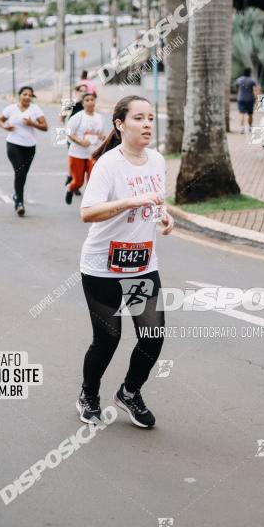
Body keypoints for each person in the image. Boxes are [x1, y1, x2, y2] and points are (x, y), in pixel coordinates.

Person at [76, 95, 174, 429]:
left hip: (142, 265)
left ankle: (130, 393)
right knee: (108, 339)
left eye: (150, 118)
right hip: (103, 267)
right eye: (139, 118)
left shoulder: (157, 160)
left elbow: (156, 202)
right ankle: (88, 395)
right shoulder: (108, 164)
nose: (147, 124)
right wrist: (131, 201)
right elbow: (87, 213)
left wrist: (165, 216)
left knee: (152, 335)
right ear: (120, 125)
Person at [0, 85, 47, 216]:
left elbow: (45, 126)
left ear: (32, 97)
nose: (27, 97)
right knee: (19, 172)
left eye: (30, 95)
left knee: (23, 174)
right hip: (13, 144)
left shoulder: (35, 109)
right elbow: (0, 120)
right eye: (24, 94)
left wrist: (33, 124)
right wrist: (5, 127)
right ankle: (19, 202)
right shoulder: (11, 108)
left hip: (30, 147)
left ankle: (16, 194)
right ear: (19, 95)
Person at [65, 91, 106, 205]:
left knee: (93, 181)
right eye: (87, 100)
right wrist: (80, 141)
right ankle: (70, 188)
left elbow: (100, 133)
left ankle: (89, 204)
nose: (90, 102)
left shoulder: (99, 118)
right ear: (83, 103)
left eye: (92, 100)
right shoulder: (78, 117)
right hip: (77, 153)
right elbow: (68, 133)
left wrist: (102, 137)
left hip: (93, 153)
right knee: (78, 182)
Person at [235, 67, 260, 133]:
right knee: (250, 114)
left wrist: (239, 93)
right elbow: (255, 90)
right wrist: (257, 98)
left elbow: (237, 87)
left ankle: (242, 128)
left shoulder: (239, 80)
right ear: (250, 73)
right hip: (250, 99)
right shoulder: (252, 80)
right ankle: (250, 127)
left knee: (241, 113)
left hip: (241, 98)